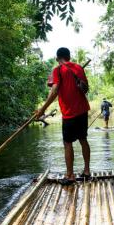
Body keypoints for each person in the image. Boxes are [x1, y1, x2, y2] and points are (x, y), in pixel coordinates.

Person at [33, 47, 91, 185]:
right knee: (83, 139)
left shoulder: (57, 70)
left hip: (69, 114)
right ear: (69, 57)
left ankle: (70, 175)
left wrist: (42, 110)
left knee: (67, 143)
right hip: (82, 110)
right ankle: (87, 171)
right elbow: (86, 87)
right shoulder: (78, 68)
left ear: (57, 58)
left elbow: (53, 92)